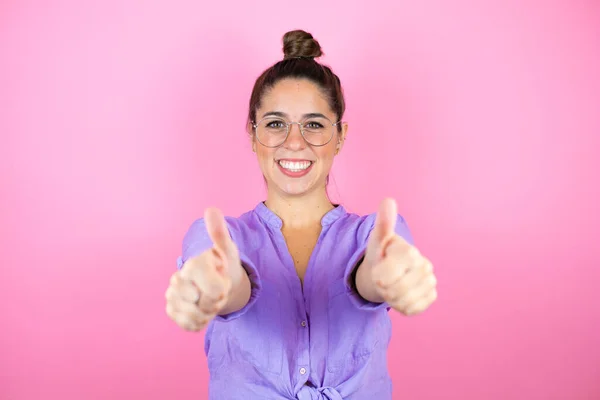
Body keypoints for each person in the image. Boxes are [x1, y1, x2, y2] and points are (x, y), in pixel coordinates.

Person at [165, 29, 438, 400]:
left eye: (314, 124)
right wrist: (216, 286)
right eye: (276, 123)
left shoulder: (377, 235)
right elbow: (229, 283)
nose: (295, 142)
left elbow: (370, 276)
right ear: (252, 134)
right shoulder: (217, 238)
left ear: (340, 136)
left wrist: (387, 277)